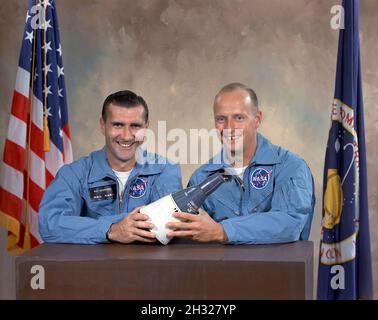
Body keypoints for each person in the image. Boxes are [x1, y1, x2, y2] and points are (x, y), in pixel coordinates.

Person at [167, 83, 315, 244]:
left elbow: (290, 223)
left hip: (277, 268)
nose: (229, 128)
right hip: (219, 268)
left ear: (257, 119)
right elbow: (190, 236)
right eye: (221, 119)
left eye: (239, 118)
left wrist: (223, 231)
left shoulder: (290, 167)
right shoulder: (202, 178)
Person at [39, 90, 182, 244]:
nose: (127, 136)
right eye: (118, 125)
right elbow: (50, 224)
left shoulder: (165, 170)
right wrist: (111, 229)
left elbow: (164, 225)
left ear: (146, 128)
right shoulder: (74, 174)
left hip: (148, 266)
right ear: (103, 125)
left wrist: (88, 226)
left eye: (135, 126)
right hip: (92, 267)